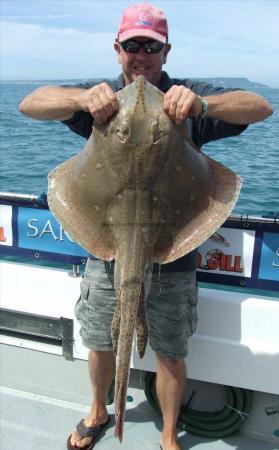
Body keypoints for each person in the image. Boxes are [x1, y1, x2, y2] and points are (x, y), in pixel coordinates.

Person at [19, 3, 273, 450]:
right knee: (100, 337)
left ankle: (169, 435)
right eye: (132, 45)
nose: (141, 55)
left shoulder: (187, 97)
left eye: (150, 47)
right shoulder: (100, 101)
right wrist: (81, 100)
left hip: (173, 247)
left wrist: (203, 105)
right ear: (118, 50)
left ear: (165, 51)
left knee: (171, 349)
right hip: (106, 247)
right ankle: (100, 410)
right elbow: (30, 104)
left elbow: (261, 107)